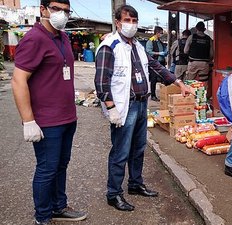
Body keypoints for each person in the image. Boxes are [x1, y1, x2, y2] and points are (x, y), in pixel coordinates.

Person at [94, 4, 191, 212]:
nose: (131, 24)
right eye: (127, 20)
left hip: (140, 103)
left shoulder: (138, 46)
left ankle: (135, 184)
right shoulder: (109, 46)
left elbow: (156, 67)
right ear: (118, 22)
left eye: (134, 21)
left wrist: (179, 83)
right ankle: (114, 193)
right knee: (120, 152)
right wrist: (110, 108)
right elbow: (101, 82)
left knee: (138, 148)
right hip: (123, 107)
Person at [11, 1, 87, 224]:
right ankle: (42, 217)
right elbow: (18, 80)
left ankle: (58, 206)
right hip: (47, 120)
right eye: (56, 9)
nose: (61, 14)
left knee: (61, 165)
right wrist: (28, 121)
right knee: (47, 168)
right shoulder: (34, 39)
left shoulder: (63, 37)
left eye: (65, 10)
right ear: (42, 9)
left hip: (67, 117)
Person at [146, 25, 167, 101]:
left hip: (161, 62)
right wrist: (158, 53)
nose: (161, 35)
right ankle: (153, 95)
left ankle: (164, 93)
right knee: (153, 79)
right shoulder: (151, 41)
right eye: (161, 33)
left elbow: (163, 49)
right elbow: (148, 52)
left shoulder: (159, 41)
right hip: (154, 63)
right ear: (157, 33)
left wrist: (164, 53)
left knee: (163, 78)